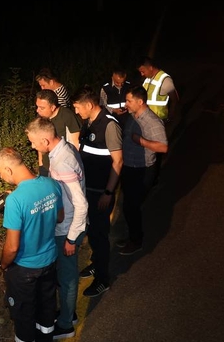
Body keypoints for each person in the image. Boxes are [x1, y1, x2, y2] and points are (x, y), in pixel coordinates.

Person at [0, 147, 64, 342]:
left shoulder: (15, 201)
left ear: (8, 168)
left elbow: (12, 247)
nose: (0, 177)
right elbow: (60, 217)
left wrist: (4, 265)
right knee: (46, 307)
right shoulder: (51, 183)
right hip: (49, 260)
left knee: (23, 316)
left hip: (24, 269)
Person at [24, 117, 87, 340]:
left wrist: (71, 238)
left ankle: (66, 326)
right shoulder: (64, 149)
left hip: (68, 229)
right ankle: (68, 315)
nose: (32, 146)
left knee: (68, 278)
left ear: (45, 139)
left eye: (33, 142)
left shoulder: (62, 162)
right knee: (64, 275)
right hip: (66, 225)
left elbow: (81, 203)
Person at [71, 87, 123, 297]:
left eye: (77, 107)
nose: (76, 112)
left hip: (101, 192)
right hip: (89, 189)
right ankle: (95, 263)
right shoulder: (90, 122)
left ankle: (103, 279)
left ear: (89, 105)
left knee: (99, 234)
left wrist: (108, 192)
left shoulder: (110, 125)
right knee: (92, 231)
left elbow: (118, 161)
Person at [118, 85, 168, 256]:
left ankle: (136, 241)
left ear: (140, 102)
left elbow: (163, 147)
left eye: (129, 101)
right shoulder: (133, 115)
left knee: (132, 207)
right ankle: (132, 236)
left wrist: (141, 141)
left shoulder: (152, 121)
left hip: (143, 170)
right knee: (128, 206)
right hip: (129, 167)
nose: (126, 103)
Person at [35, 89, 81, 177]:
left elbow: (75, 143)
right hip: (46, 166)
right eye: (37, 107)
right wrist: (41, 165)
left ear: (52, 107)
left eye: (42, 108)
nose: (38, 110)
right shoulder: (40, 117)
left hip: (63, 167)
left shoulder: (67, 116)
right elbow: (39, 143)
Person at [138, 56, 179, 125]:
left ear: (150, 68)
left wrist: (170, 117)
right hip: (145, 119)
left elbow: (175, 99)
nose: (142, 74)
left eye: (143, 71)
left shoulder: (165, 80)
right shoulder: (147, 79)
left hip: (158, 121)